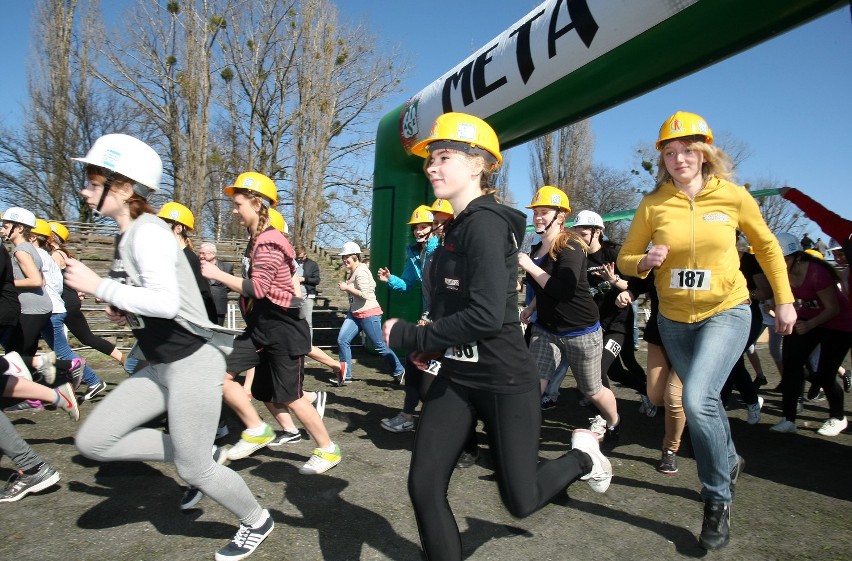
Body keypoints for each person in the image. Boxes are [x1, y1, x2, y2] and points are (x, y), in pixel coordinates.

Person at [383, 112, 612, 561]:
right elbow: (454, 307)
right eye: (430, 156)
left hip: (505, 380)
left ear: (478, 164)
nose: (431, 165)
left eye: (443, 155)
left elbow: (487, 317)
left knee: (521, 501)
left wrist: (410, 335)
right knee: (424, 486)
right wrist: (430, 347)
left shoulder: (485, 225)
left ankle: (584, 455)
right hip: (458, 376)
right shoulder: (455, 228)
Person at [64, 134, 274, 561]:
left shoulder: (148, 233)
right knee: (95, 441)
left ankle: (256, 520)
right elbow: (151, 304)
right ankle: (202, 452)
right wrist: (123, 309)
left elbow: (166, 301)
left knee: (193, 469)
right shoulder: (128, 237)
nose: (84, 190)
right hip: (161, 365)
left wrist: (99, 285)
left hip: (192, 364)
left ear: (121, 187)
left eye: (92, 180)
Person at [617, 111, 796, 550]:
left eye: (688, 150)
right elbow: (625, 257)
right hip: (673, 318)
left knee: (697, 399)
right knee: (703, 403)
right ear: (663, 159)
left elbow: (767, 246)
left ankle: (716, 499)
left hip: (727, 310)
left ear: (705, 152)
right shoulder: (654, 203)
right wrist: (642, 262)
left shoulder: (733, 197)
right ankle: (729, 458)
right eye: (671, 152)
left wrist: (785, 297)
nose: (680, 158)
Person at [200, 172, 340, 475]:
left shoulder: (270, 241)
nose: (234, 211)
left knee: (291, 396)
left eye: (238, 205)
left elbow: (259, 288)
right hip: (260, 328)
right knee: (221, 375)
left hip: (283, 330)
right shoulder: (256, 240)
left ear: (256, 203)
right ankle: (256, 429)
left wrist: (216, 274)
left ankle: (328, 449)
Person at [519, 188, 622, 445]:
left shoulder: (572, 244)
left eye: (545, 212)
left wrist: (529, 265)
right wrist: (532, 306)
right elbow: (543, 285)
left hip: (581, 332)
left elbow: (563, 290)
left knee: (592, 390)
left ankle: (614, 422)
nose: (538, 217)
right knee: (534, 383)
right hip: (546, 330)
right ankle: (521, 440)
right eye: (536, 213)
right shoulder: (538, 246)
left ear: (561, 216)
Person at [770, 233, 850, 436]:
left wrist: (810, 324)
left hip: (839, 324)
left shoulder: (816, 272)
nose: (780, 263)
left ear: (797, 256)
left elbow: (832, 309)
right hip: (808, 319)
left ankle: (838, 417)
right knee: (791, 365)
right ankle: (789, 419)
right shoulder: (783, 273)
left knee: (826, 374)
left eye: (784, 259)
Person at [377, 205, 439, 433]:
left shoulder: (441, 249)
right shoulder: (415, 254)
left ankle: (423, 418)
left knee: (423, 366)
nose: (418, 231)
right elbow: (407, 284)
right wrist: (390, 279)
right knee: (415, 363)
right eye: (415, 228)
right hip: (427, 318)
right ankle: (409, 415)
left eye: (423, 226)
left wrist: (432, 316)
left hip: (444, 319)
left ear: (434, 227)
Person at [46, 221, 124, 400]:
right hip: (66, 303)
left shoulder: (56, 255)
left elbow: (52, 282)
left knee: (79, 341)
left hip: (65, 305)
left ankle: (117, 365)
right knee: (80, 340)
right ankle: (79, 378)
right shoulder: (60, 254)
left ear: (52, 237)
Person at [336, 241, 404, 386]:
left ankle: (399, 371)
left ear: (355, 256)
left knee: (379, 346)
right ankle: (345, 375)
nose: (344, 260)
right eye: (343, 257)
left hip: (368, 314)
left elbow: (365, 294)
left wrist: (347, 288)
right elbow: (367, 288)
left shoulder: (361, 271)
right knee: (342, 340)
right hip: (355, 314)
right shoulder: (354, 271)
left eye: (346, 256)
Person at [1, 208, 52, 358]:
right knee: (25, 356)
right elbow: (42, 279)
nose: (2, 230)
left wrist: (8, 283)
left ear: (20, 228)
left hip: (32, 310)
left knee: (14, 357)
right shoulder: (30, 248)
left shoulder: (20, 251)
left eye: (6, 226)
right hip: (39, 308)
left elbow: (36, 281)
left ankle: (66, 370)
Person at [157, 202, 218, 324]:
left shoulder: (188, 259)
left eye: (164, 226)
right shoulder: (172, 257)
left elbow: (203, 296)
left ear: (178, 228)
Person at [198, 242, 234, 327]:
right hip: (201, 306)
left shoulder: (226, 267)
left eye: (204, 253)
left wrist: (219, 292)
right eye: (200, 253)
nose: (201, 256)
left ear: (213, 254)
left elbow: (229, 285)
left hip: (219, 307)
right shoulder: (196, 265)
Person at [294, 246, 320, 336]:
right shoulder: (292, 263)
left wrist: (303, 279)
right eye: (297, 258)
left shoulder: (312, 264)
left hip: (308, 297)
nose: (299, 259)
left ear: (305, 254)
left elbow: (317, 280)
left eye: (301, 257)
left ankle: (309, 346)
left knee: (308, 323)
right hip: (294, 297)